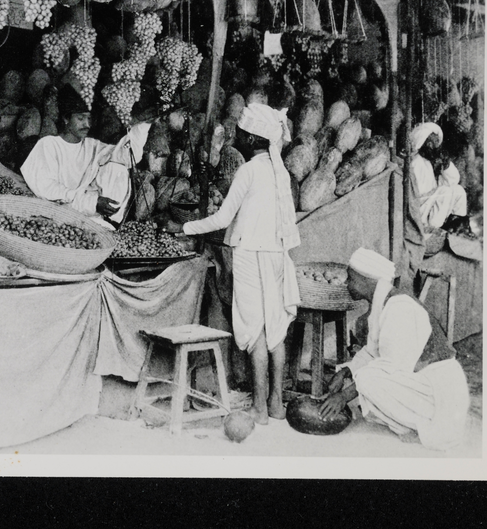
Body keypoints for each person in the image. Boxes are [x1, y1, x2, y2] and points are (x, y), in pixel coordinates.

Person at [176, 103, 301, 425]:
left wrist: (185, 228)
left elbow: (222, 218)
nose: (239, 138)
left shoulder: (248, 170)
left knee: (255, 332)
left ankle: (258, 407)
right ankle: (275, 404)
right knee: (276, 332)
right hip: (276, 255)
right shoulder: (279, 170)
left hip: (250, 255)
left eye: (242, 134)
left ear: (249, 137)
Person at [320, 248, 470, 452]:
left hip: (440, 391)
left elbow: (390, 368)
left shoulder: (401, 307)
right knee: (360, 377)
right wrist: (346, 372)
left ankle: (419, 424)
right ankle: (409, 422)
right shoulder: (384, 303)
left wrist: (344, 396)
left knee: (368, 380)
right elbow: (372, 353)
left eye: (351, 279)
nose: (347, 284)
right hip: (425, 384)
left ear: (366, 280)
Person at [21, 84, 149, 229]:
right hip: (59, 210)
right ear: (66, 119)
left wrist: (143, 125)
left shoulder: (91, 145)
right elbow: (49, 190)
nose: (87, 124)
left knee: (117, 168)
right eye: (81, 118)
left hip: (88, 211)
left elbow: (126, 157)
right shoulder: (48, 145)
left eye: (89, 118)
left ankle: (107, 224)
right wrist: (91, 202)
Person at [410, 122, 469, 230]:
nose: (434, 146)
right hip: (420, 209)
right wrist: (440, 189)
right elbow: (419, 194)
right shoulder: (416, 162)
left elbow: (454, 180)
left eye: (436, 142)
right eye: (431, 143)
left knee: (458, 190)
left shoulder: (430, 161)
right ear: (422, 142)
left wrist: (445, 165)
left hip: (432, 205)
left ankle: (457, 224)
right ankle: (435, 227)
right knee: (444, 192)